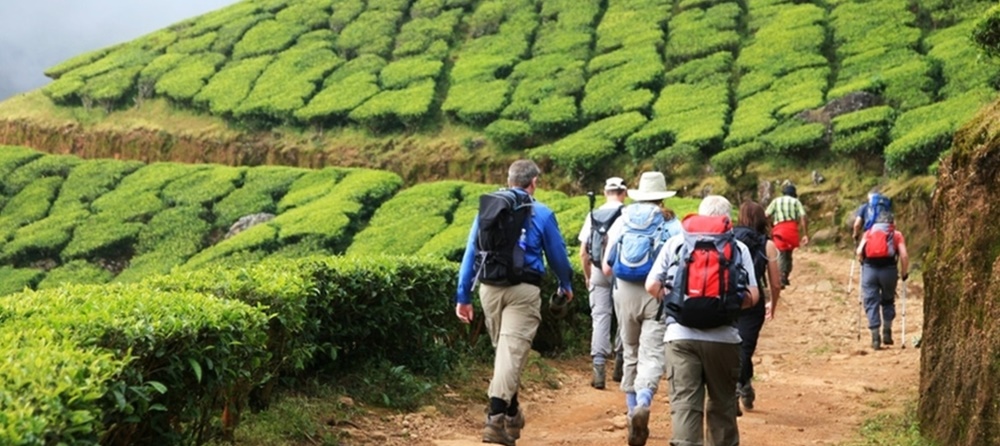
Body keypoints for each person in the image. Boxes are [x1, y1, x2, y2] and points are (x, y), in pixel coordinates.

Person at [455, 160, 575, 446]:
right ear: (533, 182)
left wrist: (463, 296)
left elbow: (471, 252)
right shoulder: (542, 213)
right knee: (511, 352)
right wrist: (565, 284)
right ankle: (495, 419)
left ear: (509, 180)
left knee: (507, 352)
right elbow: (558, 255)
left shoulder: (489, 209)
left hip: (489, 289)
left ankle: (511, 413)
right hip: (524, 290)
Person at [645, 195, 760, 446]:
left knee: (685, 405)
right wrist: (724, 306)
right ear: (725, 219)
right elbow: (753, 296)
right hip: (724, 339)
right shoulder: (738, 248)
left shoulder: (676, 243)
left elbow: (651, 284)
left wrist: (676, 302)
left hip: (680, 337)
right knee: (722, 405)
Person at [601, 171, 682, 446]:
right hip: (655, 293)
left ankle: (630, 407)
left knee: (630, 350)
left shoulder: (622, 219)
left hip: (623, 291)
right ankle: (644, 402)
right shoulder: (671, 223)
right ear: (662, 196)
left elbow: (606, 266)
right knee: (652, 353)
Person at [732, 200, 782, 415]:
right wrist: (774, 304)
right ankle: (735, 388)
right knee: (745, 347)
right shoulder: (767, 244)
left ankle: (743, 385)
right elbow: (776, 283)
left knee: (733, 345)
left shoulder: (728, 237)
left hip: (729, 298)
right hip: (754, 300)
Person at [578, 176, 627, 389]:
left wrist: (588, 276)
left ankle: (598, 372)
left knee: (600, 318)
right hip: (621, 272)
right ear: (624, 193)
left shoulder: (593, 215)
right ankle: (620, 364)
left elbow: (583, 252)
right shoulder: (628, 215)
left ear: (605, 192)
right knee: (625, 316)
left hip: (598, 269)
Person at [855, 215, 909, 351]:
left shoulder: (869, 232)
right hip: (889, 272)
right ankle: (887, 331)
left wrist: (862, 262)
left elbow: (859, 251)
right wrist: (903, 273)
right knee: (888, 300)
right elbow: (904, 255)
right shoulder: (896, 235)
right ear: (892, 223)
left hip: (869, 271)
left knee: (871, 302)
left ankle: (875, 338)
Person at [765, 183, 809, 288]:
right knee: (788, 253)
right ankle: (784, 275)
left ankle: (781, 276)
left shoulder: (775, 201)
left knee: (780, 252)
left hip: (779, 229)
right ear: (794, 194)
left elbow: (766, 215)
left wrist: (770, 227)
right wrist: (805, 234)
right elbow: (803, 216)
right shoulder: (796, 202)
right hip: (791, 229)